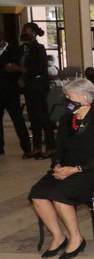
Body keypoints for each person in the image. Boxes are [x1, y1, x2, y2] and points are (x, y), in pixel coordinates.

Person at [29, 79, 94, 259]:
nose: (66, 100)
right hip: (66, 168)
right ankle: (59, 237)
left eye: (69, 96)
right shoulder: (66, 118)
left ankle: (77, 238)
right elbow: (58, 148)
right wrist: (58, 164)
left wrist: (75, 169)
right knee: (37, 193)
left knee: (61, 194)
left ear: (84, 98)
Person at [16, 23, 55, 159]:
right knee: (33, 118)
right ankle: (37, 147)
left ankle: (51, 147)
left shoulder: (39, 48)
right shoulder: (22, 49)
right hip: (28, 87)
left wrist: (22, 71)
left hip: (38, 87)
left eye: (26, 29)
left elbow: (40, 70)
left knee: (43, 116)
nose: (23, 31)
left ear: (33, 32)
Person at [0, 31, 33, 157]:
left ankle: (26, 148)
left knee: (18, 120)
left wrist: (12, 69)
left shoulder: (15, 50)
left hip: (11, 91)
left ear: (3, 40)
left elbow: (17, 68)